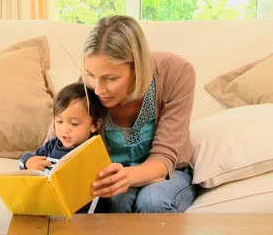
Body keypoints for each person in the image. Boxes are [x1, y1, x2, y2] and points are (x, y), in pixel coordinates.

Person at [81, 15, 198, 213]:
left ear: (136, 68)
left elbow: (165, 157)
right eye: (91, 75)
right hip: (113, 178)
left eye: (110, 78)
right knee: (116, 199)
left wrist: (125, 177)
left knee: (153, 201)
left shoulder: (176, 72)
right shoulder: (88, 87)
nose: (98, 89)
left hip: (168, 173)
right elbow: (57, 143)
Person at [19, 81, 107, 176]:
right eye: (59, 122)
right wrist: (27, 162)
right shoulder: (50, 146)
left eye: (74, 123)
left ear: (94, 125)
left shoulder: (93, 152)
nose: (65, 130)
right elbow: (25, 161)